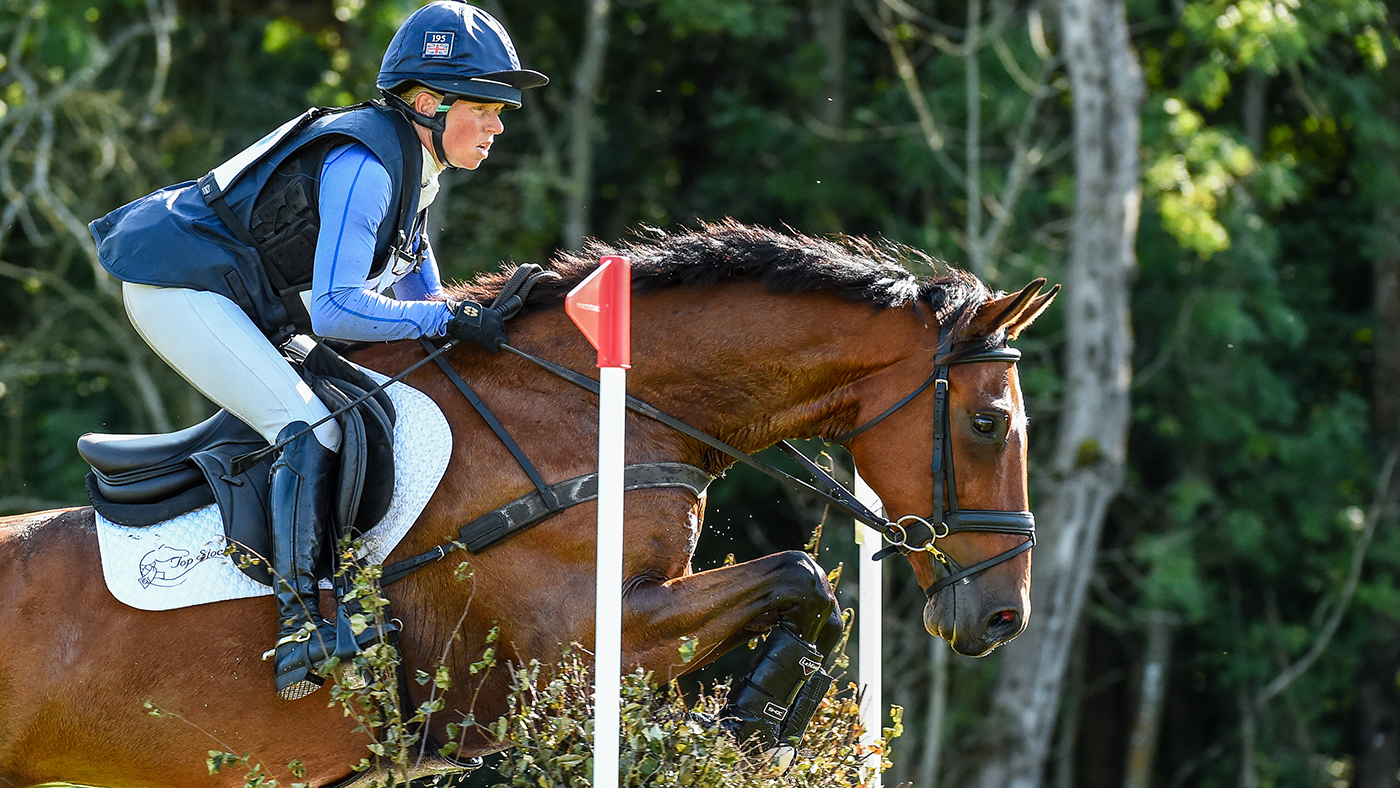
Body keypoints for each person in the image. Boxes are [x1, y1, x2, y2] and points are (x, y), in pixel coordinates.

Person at [87, 1, 547, 700]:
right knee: (309, 425)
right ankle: (302, 630)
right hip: (176, 285)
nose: (497, 123)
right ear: (428, 102)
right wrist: (450, 318)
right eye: (484, 105)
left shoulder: (412, 170)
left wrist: (475, 320)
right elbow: (337, 310)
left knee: (364, 406)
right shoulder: (367, 164)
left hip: (237, 294)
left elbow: (427, 306)